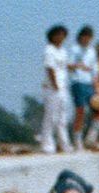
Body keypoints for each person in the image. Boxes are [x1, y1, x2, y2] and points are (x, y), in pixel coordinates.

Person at [38, 25, 71, 154]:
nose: (61, 37)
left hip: (63, 87)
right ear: (52, 36)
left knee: (62, 117)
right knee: (51, 116)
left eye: (63, 35)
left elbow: (64, 66)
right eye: (58, 35)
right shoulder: (49, 50)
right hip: (52, 88)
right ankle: (47, 144)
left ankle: (64, 144)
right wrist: (55, 85)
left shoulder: (62, 51)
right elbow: (50, 68)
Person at [68, 26, 97, 151]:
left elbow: (94, 70)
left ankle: (91, 137)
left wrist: (96, 86)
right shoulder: (74, 49)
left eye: (89, 37)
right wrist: (77, 65)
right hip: (78, 81)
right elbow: (68, 65)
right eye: (85, 36)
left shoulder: (92, 51)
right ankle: (77, 139)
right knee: (80, 111)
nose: (87, 39)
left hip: (89, 83)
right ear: (80, 37)